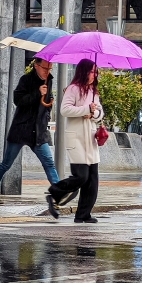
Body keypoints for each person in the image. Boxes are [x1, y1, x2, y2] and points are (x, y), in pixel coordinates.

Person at [0, 58, 59, 204]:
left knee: (49, 162)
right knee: (7, 163)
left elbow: (45, 105)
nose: (47, 72)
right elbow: (18, 100)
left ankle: (58, 191)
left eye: (50, 68)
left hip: (38, 131)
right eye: (45, 68)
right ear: (36, 66)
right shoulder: (25, 79)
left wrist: (47, 106)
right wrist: (37, 93)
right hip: (21, 129)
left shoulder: (48, 80)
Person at [46, 59, 104, 223]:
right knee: (81, 177)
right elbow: (65, 110)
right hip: (76, 138)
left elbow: (100, 113)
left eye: (95, 71)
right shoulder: (73, 89)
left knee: (92, 181)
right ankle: (54, 193)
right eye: (92, 71)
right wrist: (85, 110)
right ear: (84, 71)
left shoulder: (93, 91)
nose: (95, 74)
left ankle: (83, 214)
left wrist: (93, 114)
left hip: (90, 139)